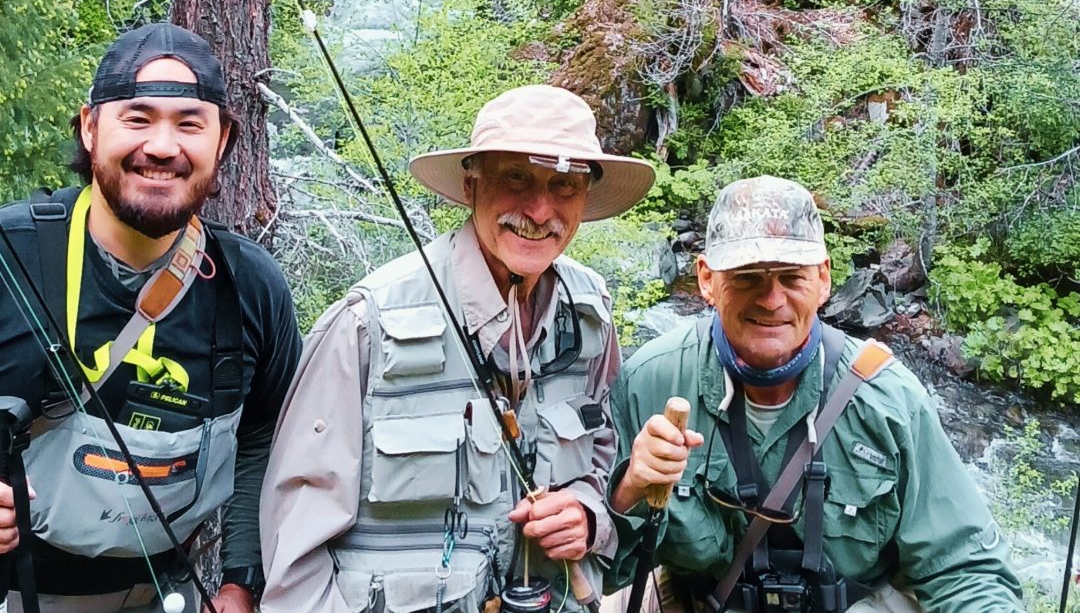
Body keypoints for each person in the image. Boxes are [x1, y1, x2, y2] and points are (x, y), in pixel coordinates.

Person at [259, 85, 656, 613]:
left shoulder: (591, 315)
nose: (540, 210)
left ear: (585, 197)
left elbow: (605, 457)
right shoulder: (370, 321)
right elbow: (296, 548)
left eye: (563, 184)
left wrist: (586, 514)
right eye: (517, 177)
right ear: (472, 184)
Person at [604, 176, 1024, 612]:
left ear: (824, 279)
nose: (771, 300)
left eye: (791, 277)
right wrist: (629, 492)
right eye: (747, 278)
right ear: (707, 280)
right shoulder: (651, 382)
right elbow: (607, 564)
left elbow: (966, 570)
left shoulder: (888, 398)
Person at [0, 23, 303, 612]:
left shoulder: (251, 287)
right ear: (90, 129)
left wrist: (242, 582)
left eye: (190, 123)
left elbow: (269, 438)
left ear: (223, 142)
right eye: (137, 118)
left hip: (172, 593)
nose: (163, 146)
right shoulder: (8, 254)